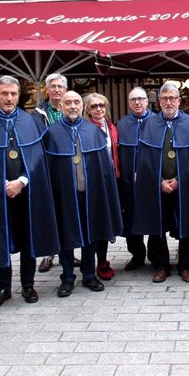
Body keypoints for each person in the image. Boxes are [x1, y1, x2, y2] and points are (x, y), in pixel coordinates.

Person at [0, 76, 60, 307]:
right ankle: (3, 287)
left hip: (27, 191)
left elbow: (37, 158)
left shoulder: (30, 122)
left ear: (18, 96)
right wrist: (2, 183)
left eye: (13, 94)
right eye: (4, 93)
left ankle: (28, 284)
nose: (9, 98)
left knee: (28, 238)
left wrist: (22, 181)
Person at [131, 82, 189, 283]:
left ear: (179, 100)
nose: (169, 102)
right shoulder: (150, 124)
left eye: (172, 98)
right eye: (164, 98)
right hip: (157, 185)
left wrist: (178, 181)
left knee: (187, 224)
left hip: (183, 185)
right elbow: (144, 160)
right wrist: (159, 181)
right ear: (159, 102)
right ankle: (161, 266)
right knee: (157, 226)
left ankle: (185, 265)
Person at [43, 91, 122, 298]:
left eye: (76, 102)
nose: (72, 106)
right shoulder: (51, 132)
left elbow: (104, 168)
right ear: (60, 106)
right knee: (65, 236)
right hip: (64, 195)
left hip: (90, 194)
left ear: (82, 107)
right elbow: (47, 168)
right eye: (67, 102)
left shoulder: (93, 131)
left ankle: (89, 274)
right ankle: (67, 277)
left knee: (91, 235)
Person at [83, 92, 120, 280]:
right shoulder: (86, 128)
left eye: (101, 105)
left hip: (111, 179)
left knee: (105, 222)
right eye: (93, 106)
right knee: (95, 223)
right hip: (94, 182)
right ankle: (91, 263)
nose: (98, 109)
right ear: (87, 110)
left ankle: (103, 260)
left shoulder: (111, 126)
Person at [35, 73, 68, 273]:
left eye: (60, 86)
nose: (57, 90)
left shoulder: (72, 109)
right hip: (47, 166)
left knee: (66, 212)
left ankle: (69, 252)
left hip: (67, 167)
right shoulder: (39, 114)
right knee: (50, 212)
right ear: (46, 90)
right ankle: (48, 253)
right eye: (53, 86)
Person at [116, 87, 151, 271]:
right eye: (133, 99)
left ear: (147, 101)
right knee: (131, 217)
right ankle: (137, 254)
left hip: (152, 181)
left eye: (141, 99)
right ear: (129, 103)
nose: (137, 102)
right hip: (129, 182)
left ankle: (156, 255)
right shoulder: (121, 124)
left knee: (155, 217)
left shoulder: (156, 121)